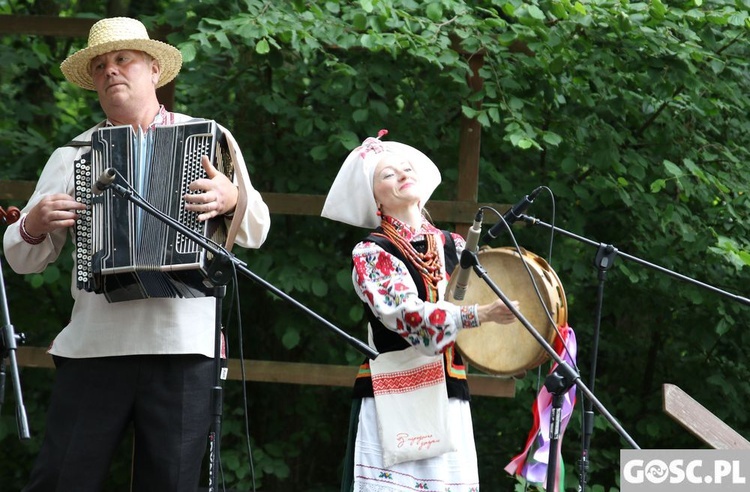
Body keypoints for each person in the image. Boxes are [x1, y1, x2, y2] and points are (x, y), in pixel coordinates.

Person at [2, 17, 270, 491]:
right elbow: (24, 260)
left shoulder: (209, 137)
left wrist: (232, 200)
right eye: (101, 65)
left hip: (183, 345)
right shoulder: (73, 154)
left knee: (173, 484)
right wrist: (33, 223)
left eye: (123, 59)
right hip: (96, 345)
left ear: (154, 70)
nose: (111, 71)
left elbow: (258, 230)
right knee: (62, 480)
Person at [321, 130, 519, 491]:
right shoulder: (371, 253)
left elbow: (488, 329)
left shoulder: (456, 246)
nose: (401, 174)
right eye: (387, 174)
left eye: (406, 167)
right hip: (397, 399)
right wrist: (478, 314)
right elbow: (412, 322)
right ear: (374, 198)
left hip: (450, 394)